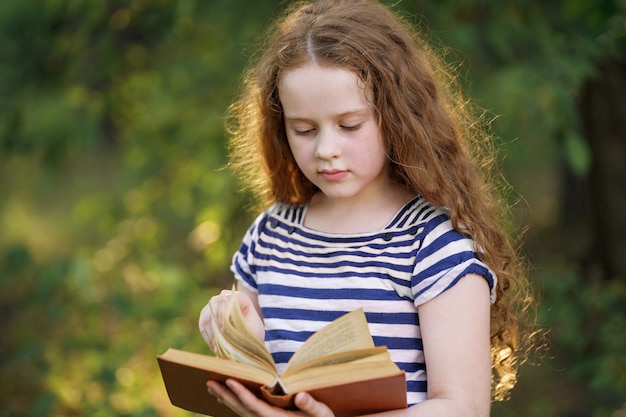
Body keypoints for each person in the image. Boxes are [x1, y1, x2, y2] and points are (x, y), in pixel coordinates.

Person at [199, 0, 537, 416]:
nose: (326, 150)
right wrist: (237, 341)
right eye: (303, 129)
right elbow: (263, 388)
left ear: (396, 116)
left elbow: (463, 407)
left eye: (350, 125)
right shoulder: (269, 235)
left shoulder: (434, 244)